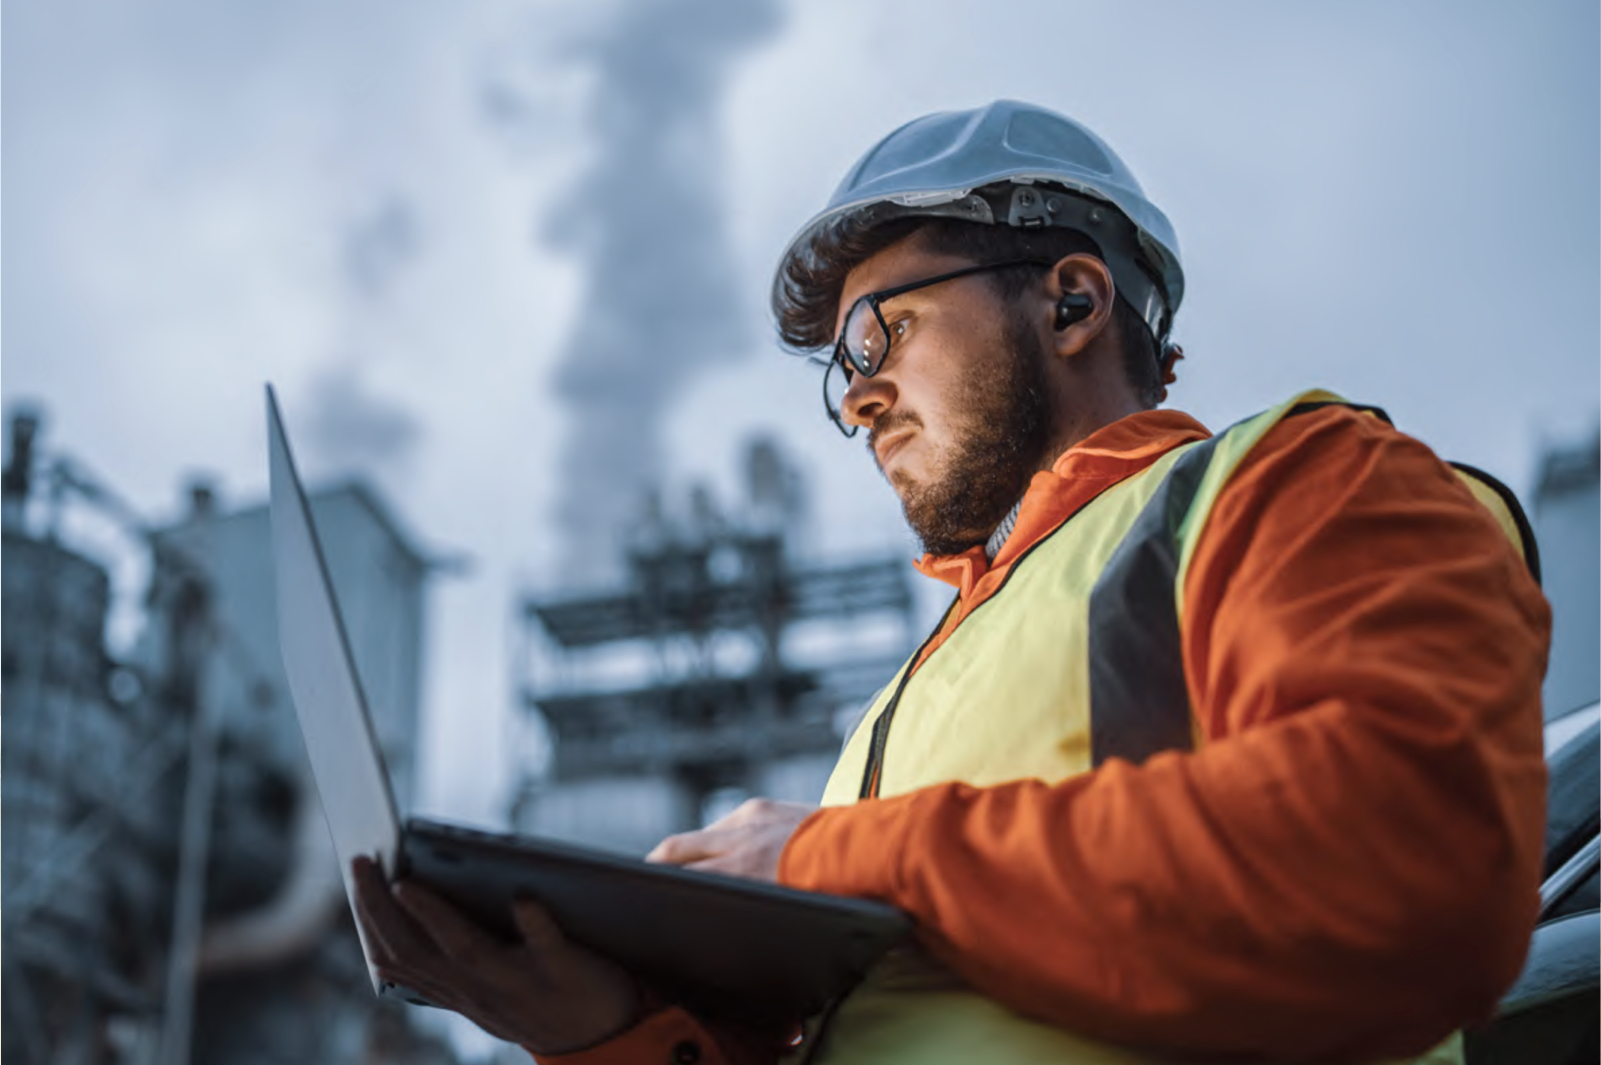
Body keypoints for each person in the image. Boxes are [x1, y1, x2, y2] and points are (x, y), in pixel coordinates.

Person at [353, 100, 1550, 1065]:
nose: (857, 398)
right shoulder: (905, 702)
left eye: (879, 335)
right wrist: (600, 1029)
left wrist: (829, 859)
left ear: (1071, 301)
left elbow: (1404, 866)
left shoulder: (1298, 483)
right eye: (838, 373)